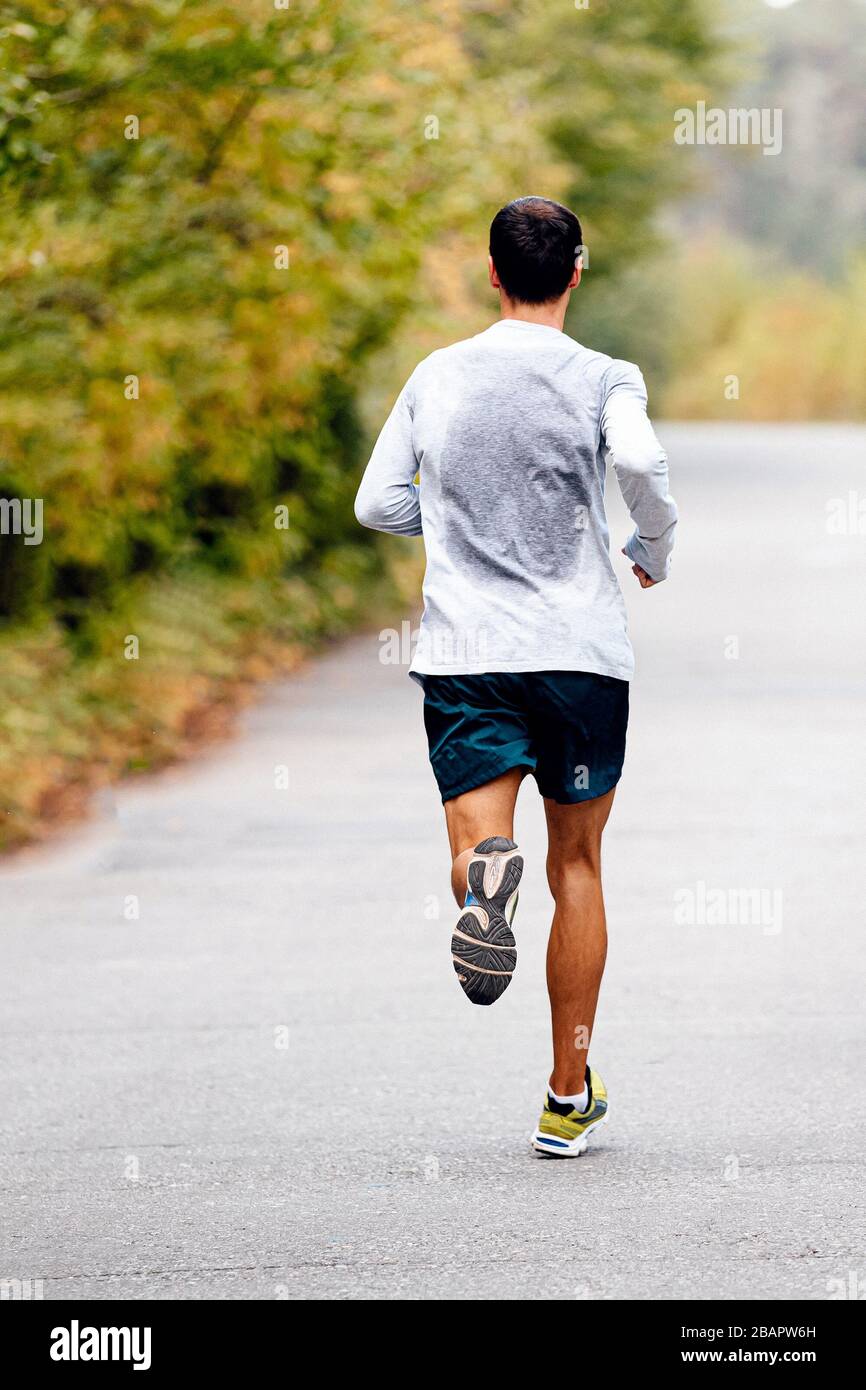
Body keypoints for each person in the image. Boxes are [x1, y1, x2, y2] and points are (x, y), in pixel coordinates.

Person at [354, 196, 677, 1156]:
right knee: (577, 866)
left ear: (491, 273)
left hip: (470, 655)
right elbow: (644, 460)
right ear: (576, 273)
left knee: (477, 843)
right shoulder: (605, 376)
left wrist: (451, 530)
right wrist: (651, 543)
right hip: (578, 655)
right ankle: (567, 1095)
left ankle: (484, 886)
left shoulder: (436, 375)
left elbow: (377, 503)